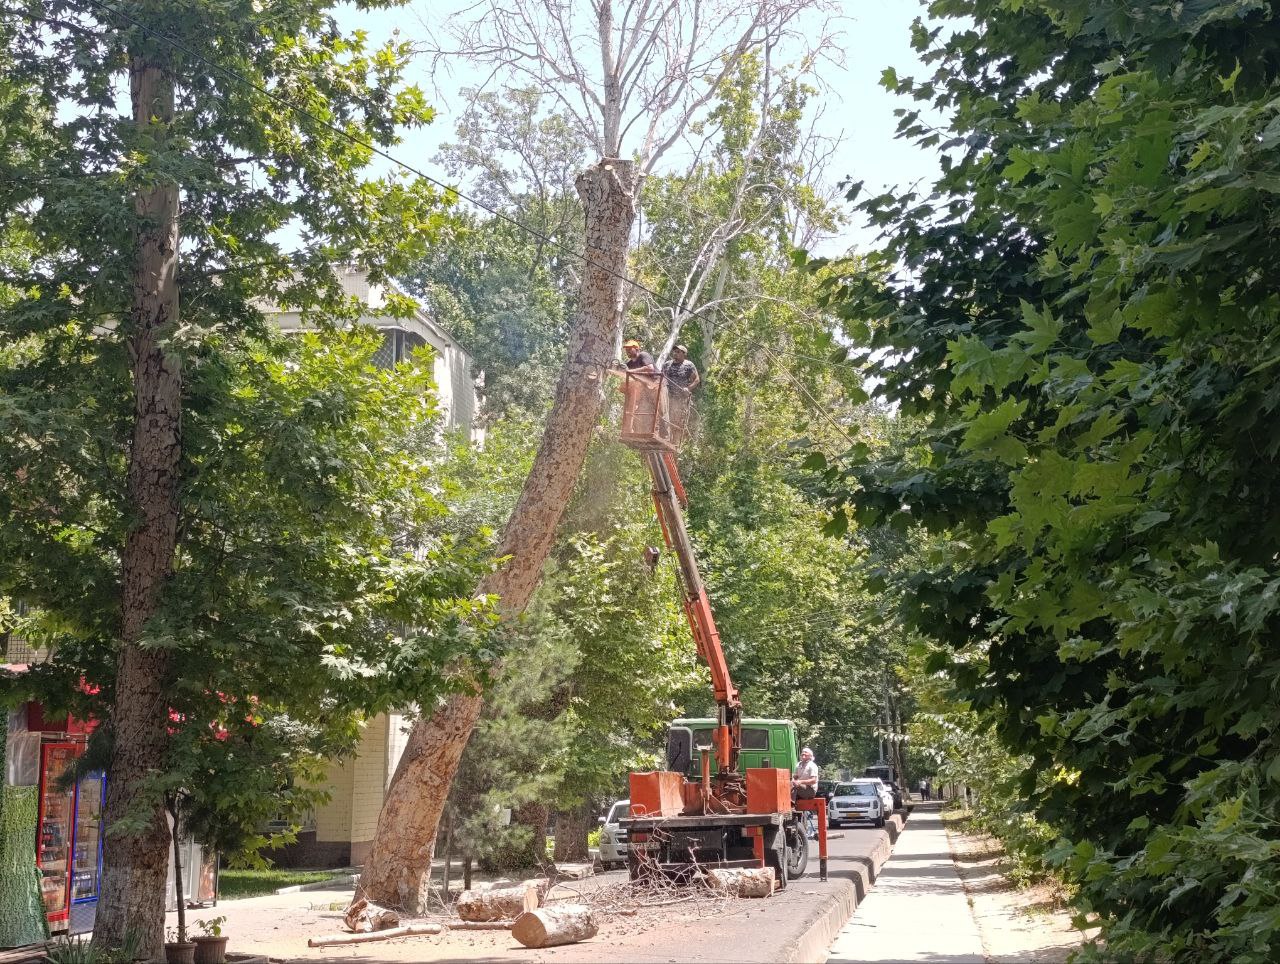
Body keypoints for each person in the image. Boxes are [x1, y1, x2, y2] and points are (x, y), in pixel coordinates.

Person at [792, 747, 820, 839]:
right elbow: (795, 777)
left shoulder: (812, 766)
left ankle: (791, 804)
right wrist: (793, 780)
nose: (803, 755)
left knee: (796, 786)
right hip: (800, 788)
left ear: (810, 756)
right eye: (802, 753)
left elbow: (813, 780)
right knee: (790, 784)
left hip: (810, 790)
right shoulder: (798, 765)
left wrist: (800, 782)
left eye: (805, 753)